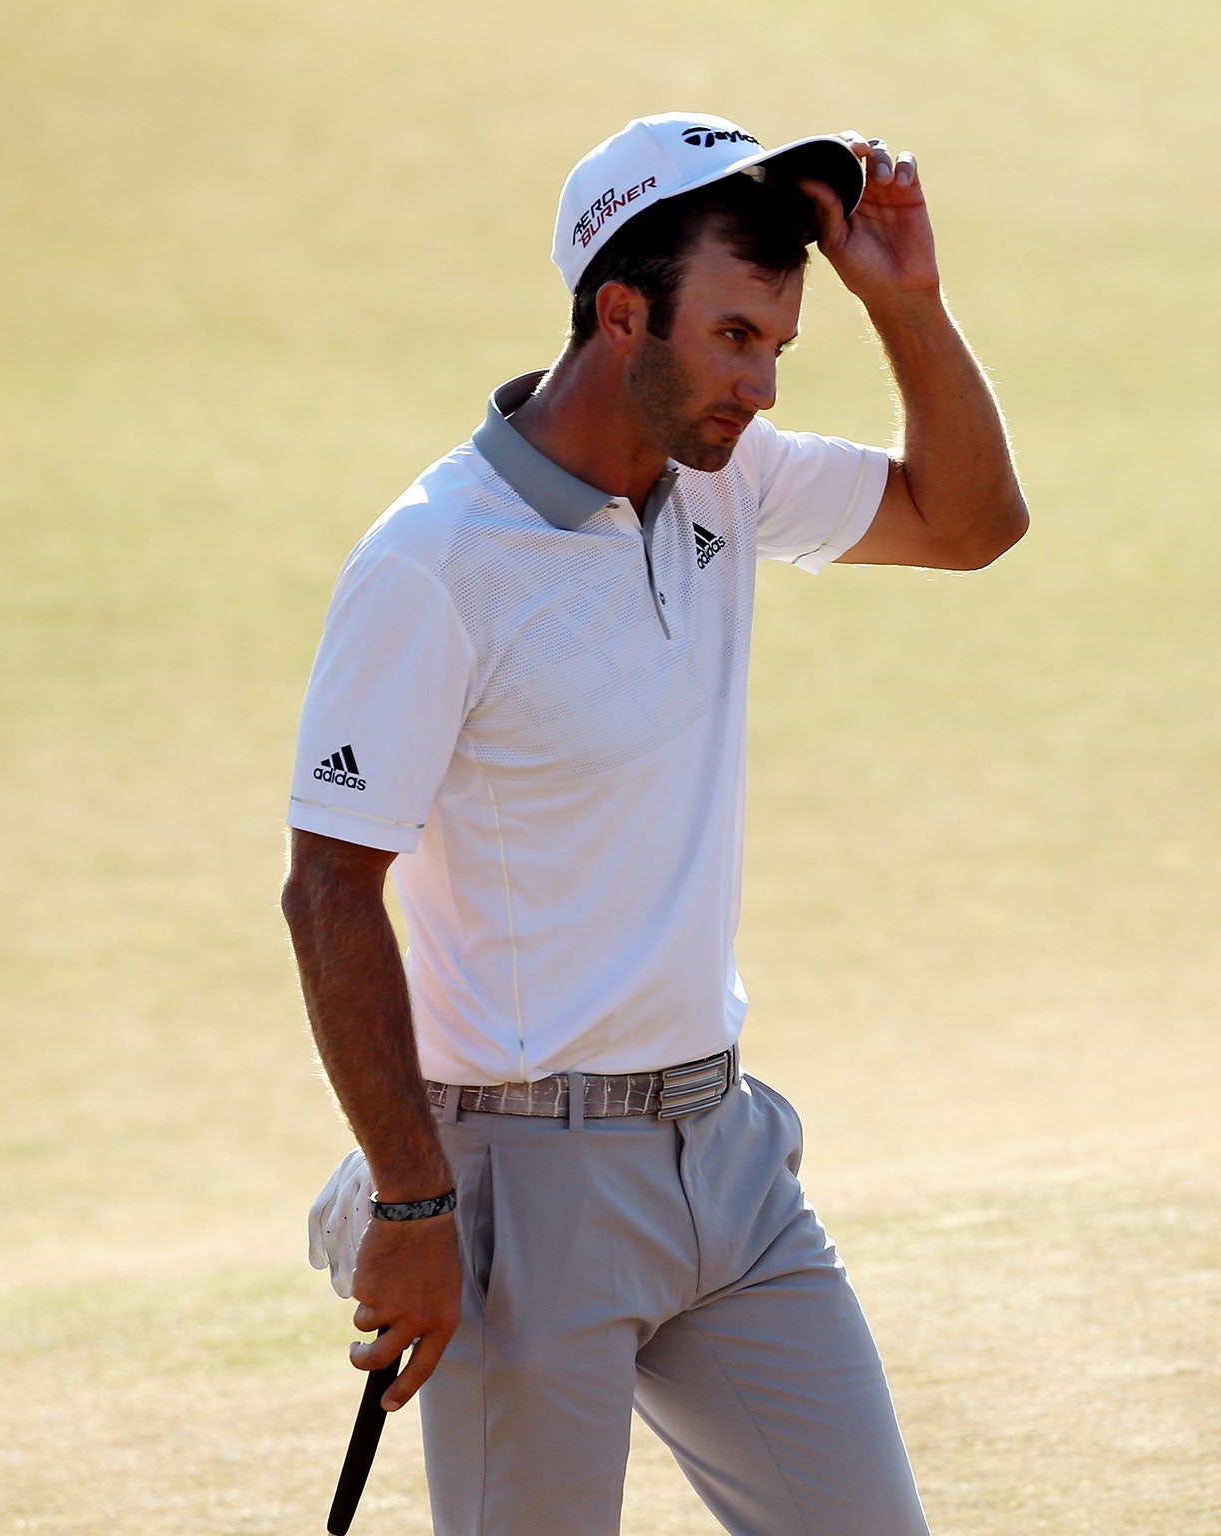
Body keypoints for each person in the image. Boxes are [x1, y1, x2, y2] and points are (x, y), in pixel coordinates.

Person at [280, 111, 1027, 1536]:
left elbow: (969, 519)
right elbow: (327, 895)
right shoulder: (435, 564)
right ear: (621, 313)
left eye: (779, 349)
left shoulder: (724, 484)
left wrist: (907, 305)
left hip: (726, 1163)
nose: (757, 382)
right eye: (735, 335)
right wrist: (416, 1206)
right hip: (521, 1197)